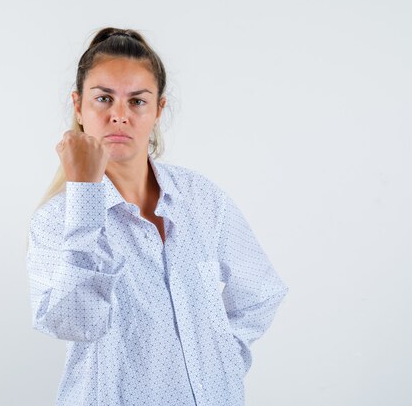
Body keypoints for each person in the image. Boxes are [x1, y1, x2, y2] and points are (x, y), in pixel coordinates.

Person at [25, 27, 289, 406]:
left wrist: (223, 362)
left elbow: (260, 291)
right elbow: (75, 322)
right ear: (79, 107)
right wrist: (84, 195)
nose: (119, 116)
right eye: (103, 99)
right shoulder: (56, 219)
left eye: (137, 101)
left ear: (158, 110)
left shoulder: (200, 198)